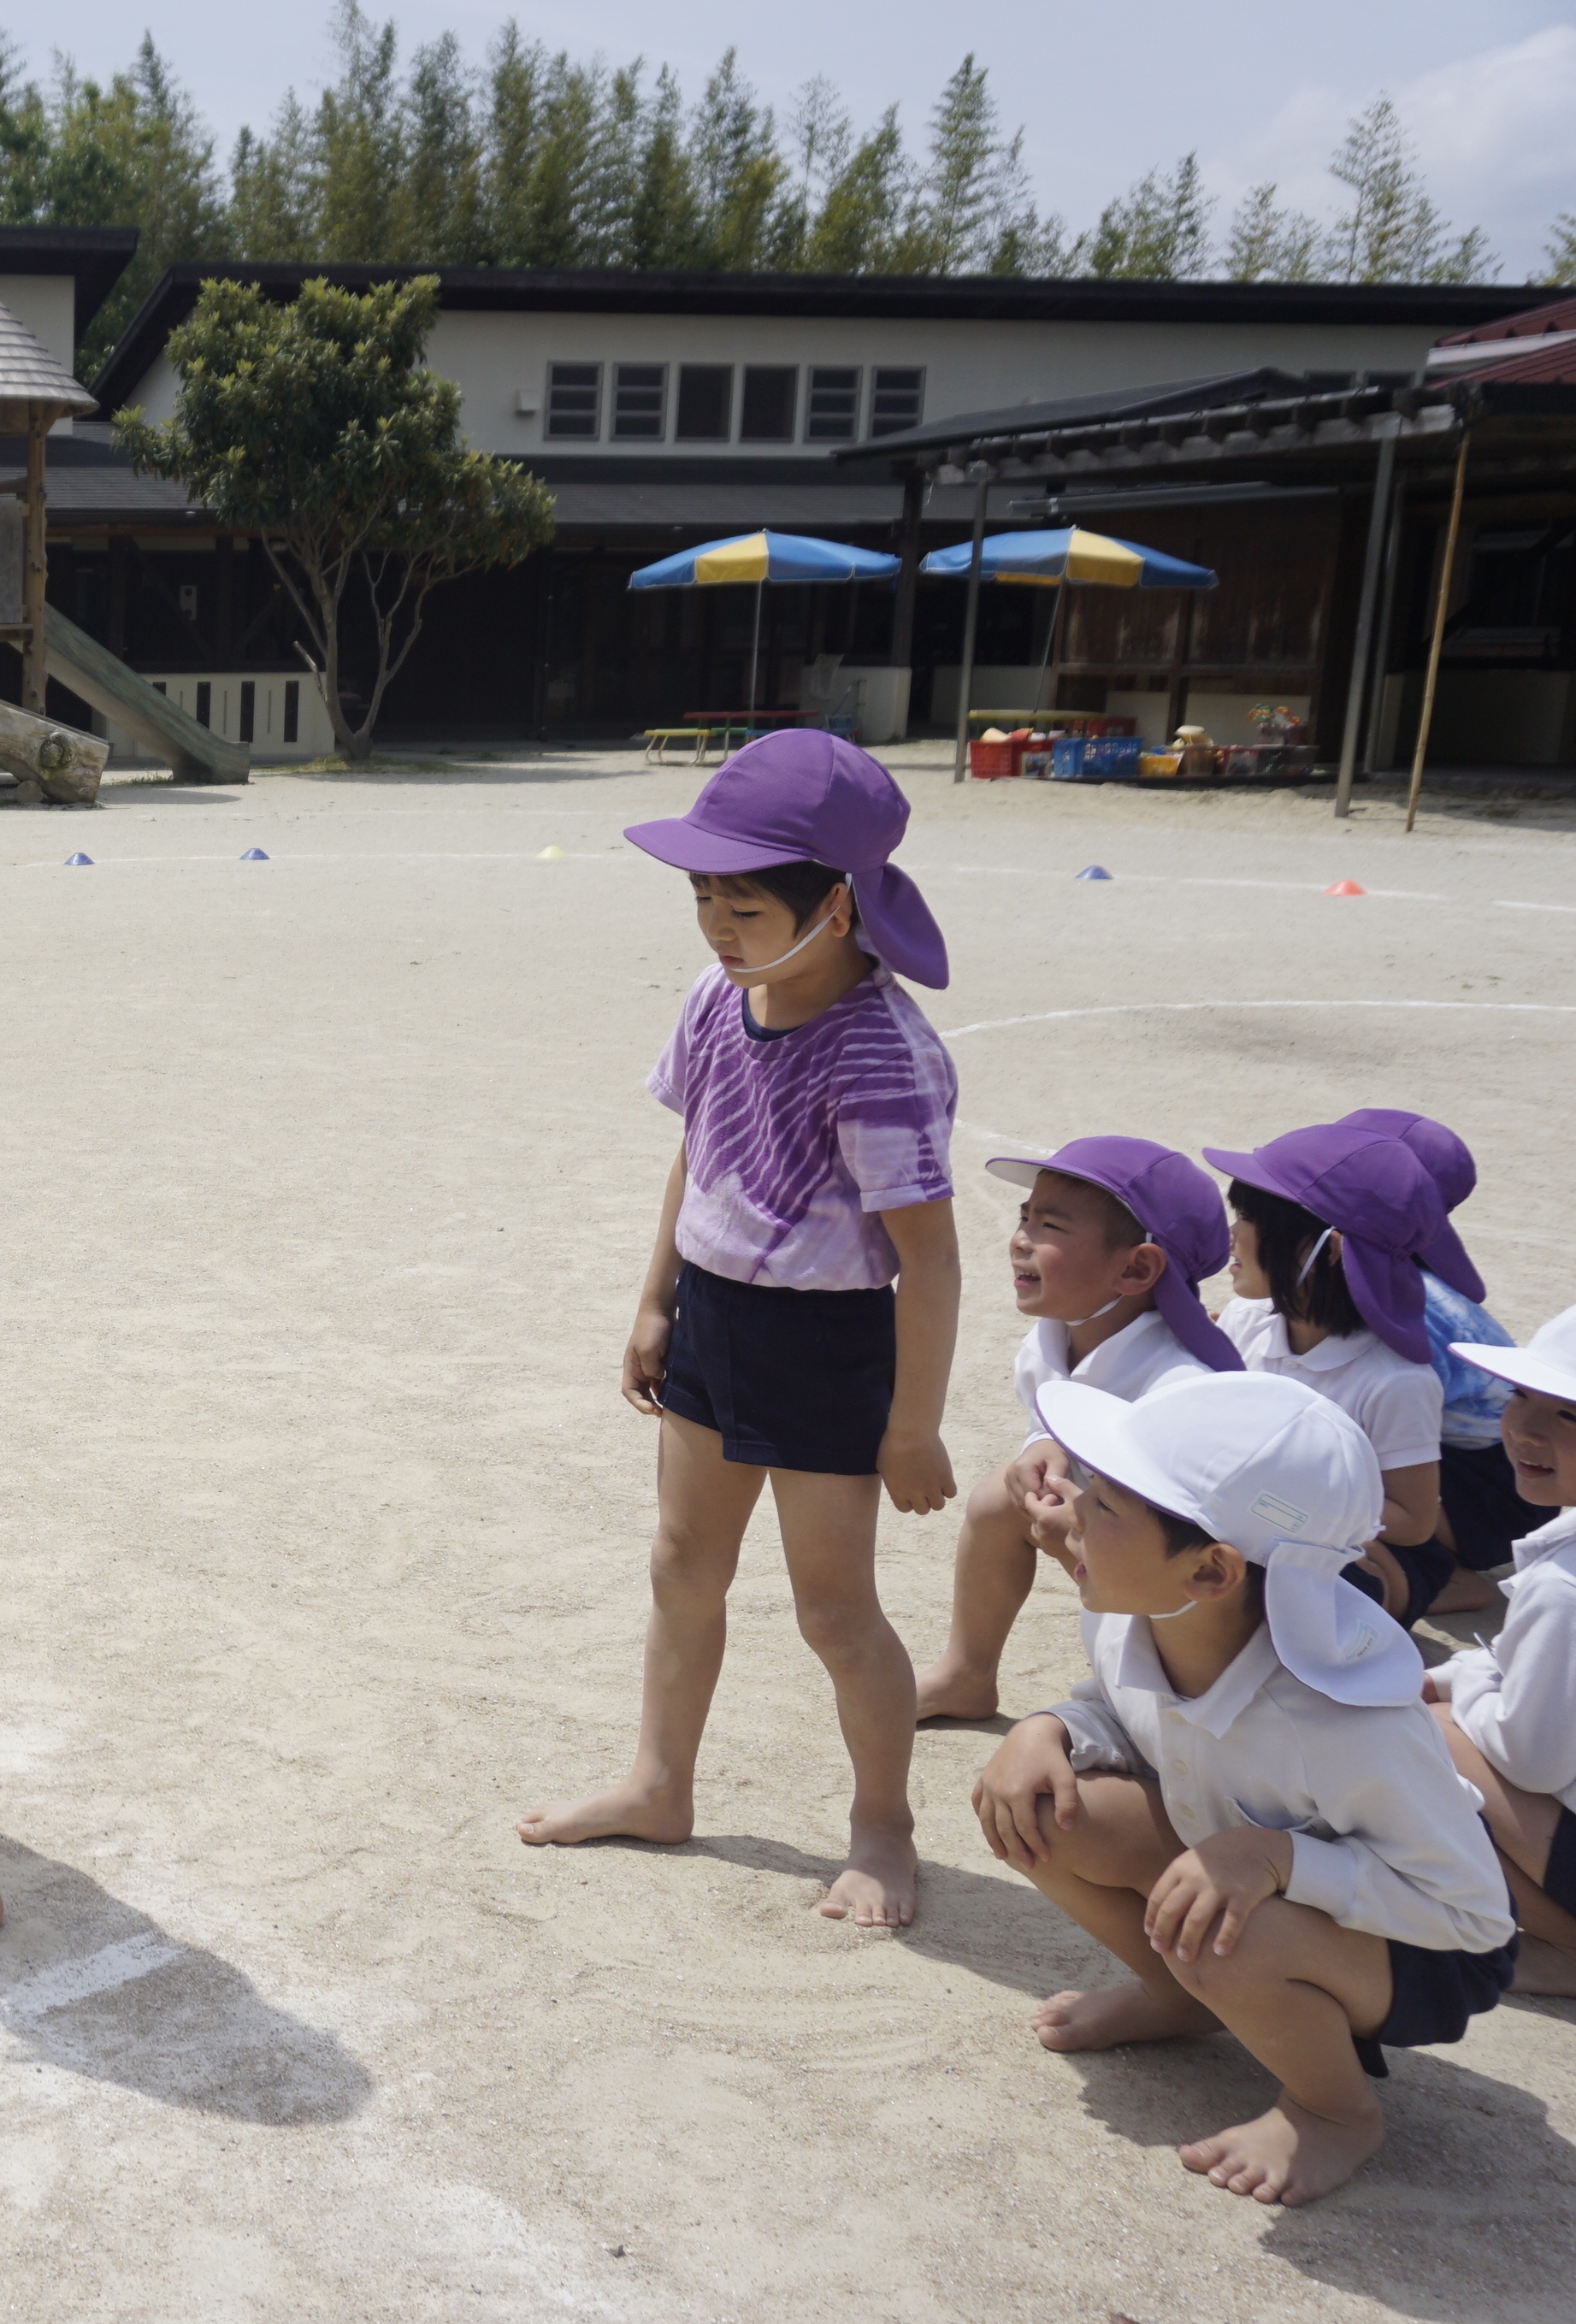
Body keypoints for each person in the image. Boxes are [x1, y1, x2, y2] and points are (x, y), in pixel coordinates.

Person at [516, 728, 960, 1931]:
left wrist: (911, 1423)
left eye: (746, 903)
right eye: (703, 896)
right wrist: (656, 1298)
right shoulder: (719, 1002)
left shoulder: (880, 1054)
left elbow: (927, 1256)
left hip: (824, 1347)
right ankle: (660, 1784)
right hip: (715, 1317)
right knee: (680, 1565)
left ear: (840, 907)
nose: (716, 923)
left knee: (832, 1611)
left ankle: (883, 1829)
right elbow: (695, 1150)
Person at [971, 1372, 1515, 2206]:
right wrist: (1047, 1728)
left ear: (1212, 1572)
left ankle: (1332, 2110)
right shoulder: (1126, 1613)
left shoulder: (1344, 1728)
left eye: (1106, 1504)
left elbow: (1472, 1918)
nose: (1070, 1510)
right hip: (1237, 1869)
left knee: (1234, 1935)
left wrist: (1280, 1860)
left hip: (1418, 1951)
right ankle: (1182, 1997)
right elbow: (1127, 1714)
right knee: (1042, 1807)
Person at [914, 1137, 1243, 1724]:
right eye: (1024, 1218)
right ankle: (965, 1673)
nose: (1019, 1239)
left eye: (1049, 1227)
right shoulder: (1049, 1344)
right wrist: (1039, 1447)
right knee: (998, 1499)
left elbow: (1189, 1548)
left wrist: (1082, 1524)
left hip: (1188, 1591)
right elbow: (1048, 1424)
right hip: (1109, 1547)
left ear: (1135, 1268)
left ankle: (1167, 1704)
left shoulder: (1176, 1391)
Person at [1206, 1124, 1485, 1623]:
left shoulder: (1396, 1381)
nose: (1232, 1234)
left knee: (1278, 1586)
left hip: (1364, 1552)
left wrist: (1284, 1506)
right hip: (1257, 1522)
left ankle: (1439, 1586)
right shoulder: (1245, 1323)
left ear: (1327, 1250)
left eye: (1248, 1217)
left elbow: (1414, 1522)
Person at [1429, 1305, 1576, 1998]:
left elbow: (1527, 1756)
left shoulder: (1563, 1588)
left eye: (1567, 1417)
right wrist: (1467, 1671)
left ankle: (1564, 1944)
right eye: (1521, 1397)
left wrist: (1460, 1690)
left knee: (1424, 1734)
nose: (1526, 1427)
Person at [1338, 1107, 1535, 1617]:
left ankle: (1435, 1575)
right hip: (1485, 1468)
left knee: (1332, 1456)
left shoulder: (1402, 1305)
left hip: (1492, 1487)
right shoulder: (1399, 1266)